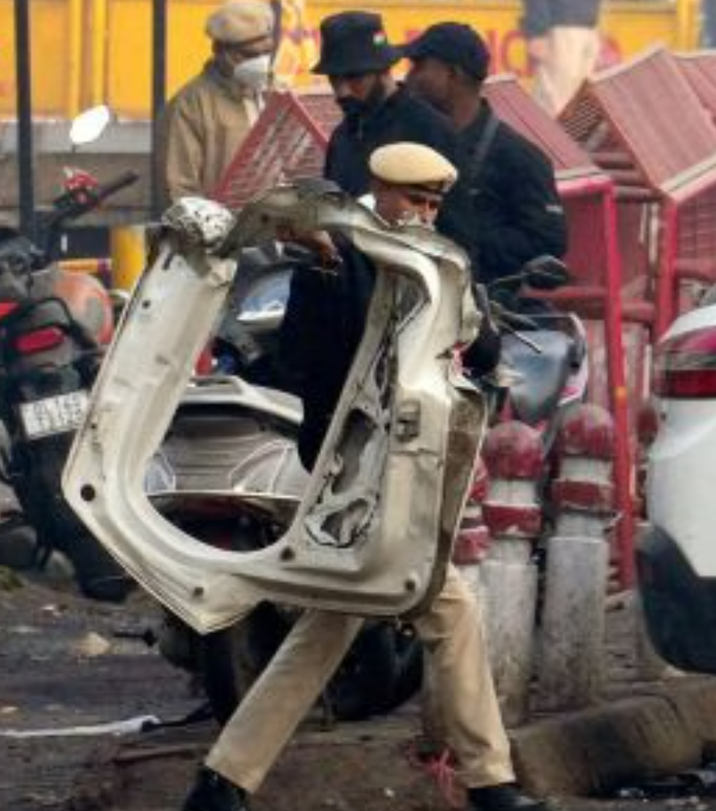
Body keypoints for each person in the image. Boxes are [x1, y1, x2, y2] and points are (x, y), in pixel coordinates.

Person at [181, 143, 555, 811]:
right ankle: (491, 783)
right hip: (355, 473)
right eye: (412, 199)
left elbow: (486, 346)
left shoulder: (437, 263)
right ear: (377, 193)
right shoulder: (336, 265)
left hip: (403, 470)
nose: (421, 212)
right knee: (446, 607)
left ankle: (223, 781)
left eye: (433, 203)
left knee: (335, 624)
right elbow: (301, 359)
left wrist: (467, 309)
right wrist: (325, 266)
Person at [404, 21, 568, 295]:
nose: (409, 78)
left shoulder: (520, 158)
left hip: (486, 309)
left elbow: (547, 240)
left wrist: (460, 240)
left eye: (420, 66)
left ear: (452, 74)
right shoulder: (408, 141)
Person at [314, 10, 459, 197]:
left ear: (383, 70)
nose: (342, 92)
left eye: (354, 77)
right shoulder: (342, 137)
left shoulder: (430, 131)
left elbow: (453, 219)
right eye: (334, 79)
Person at [161, 0, 277, 202]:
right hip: (223, 228)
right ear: (221, 51)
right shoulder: (191, 105)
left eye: (267, 52)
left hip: (276, 226)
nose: (260, 62)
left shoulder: (275, 92)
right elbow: (180, 189)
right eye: (249, 55)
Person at [520, 0, 603, 115]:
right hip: (561, 27)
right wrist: (537, 29)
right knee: (555, 105)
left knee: (579, 106)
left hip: (586, 26)